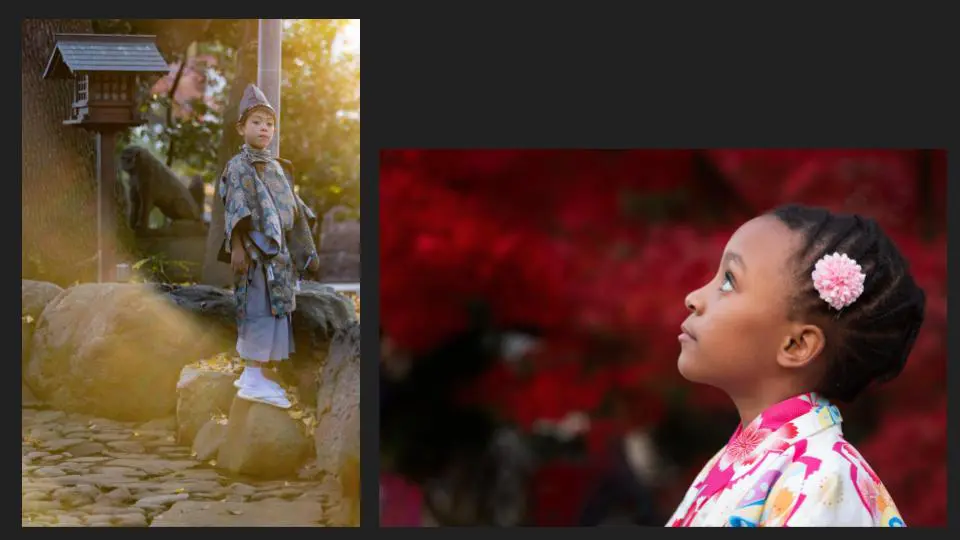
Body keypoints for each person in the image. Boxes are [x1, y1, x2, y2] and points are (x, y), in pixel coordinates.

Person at [668, 204, 925, 527]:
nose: (693, 297)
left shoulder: (825, 478)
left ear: (797, 345)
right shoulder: (750, 459)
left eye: (729, 282)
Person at [219, 84, 320, 409]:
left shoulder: (275, 166)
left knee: (276, 309)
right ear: (241, 127)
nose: (264, 129)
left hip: (279, 258)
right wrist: (237, 247)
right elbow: (234, 206)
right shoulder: (239, 166)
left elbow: (292, 207)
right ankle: (251, 373)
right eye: (256, 122)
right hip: (254, 251)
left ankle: (258, 373)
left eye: (268, 123)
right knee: (257, 307)